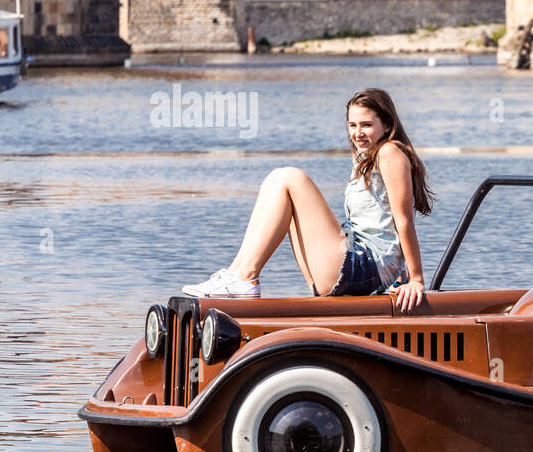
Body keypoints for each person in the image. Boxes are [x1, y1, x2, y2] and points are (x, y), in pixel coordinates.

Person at [182, 88, 434, 313]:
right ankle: (237, 274)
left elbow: (403, 221)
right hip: (357, 268)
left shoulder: (390, 152)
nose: (357, 133)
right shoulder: (366, 158)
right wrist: (399, 273)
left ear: (387, 125)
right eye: (352, 125)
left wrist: (416, 279)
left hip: (364, 266)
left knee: (289, 178)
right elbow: (384, 223)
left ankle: (245, 278)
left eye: (366, 125)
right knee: (277, 182)